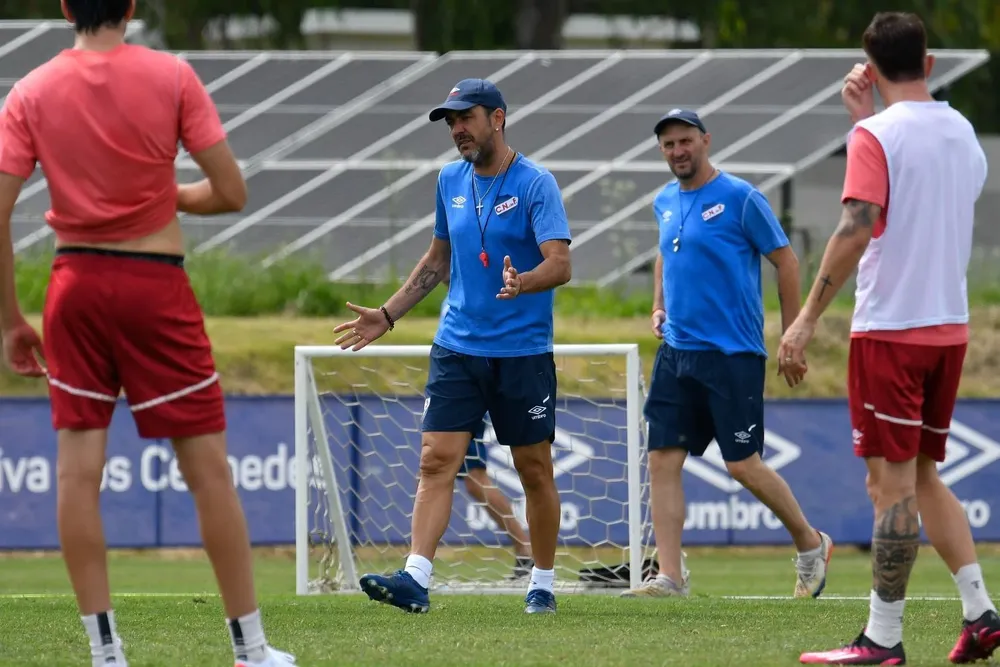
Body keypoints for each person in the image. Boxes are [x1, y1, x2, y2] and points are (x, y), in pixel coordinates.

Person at [0, 3, 294, 666]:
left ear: (65, 8)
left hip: (72, 286)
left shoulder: (31, 90)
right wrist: (165, 191)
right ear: (131, 7)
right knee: (209, 471)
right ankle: (250, 649)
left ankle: (106, 655)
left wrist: (10, 320)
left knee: (78, 473)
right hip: (153, 283)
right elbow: (231, 192)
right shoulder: (173, 76)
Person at [782, 12, 999, 666]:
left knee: (891, 485)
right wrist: (866, 124)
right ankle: (981, 612)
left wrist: (806, 315)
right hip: (948, 329)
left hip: (893, 332)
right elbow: (928, 189)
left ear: (869, 70)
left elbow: (860, 222)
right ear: (930, 64)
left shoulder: (875, 134)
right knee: (923, 476)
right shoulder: (963, 131)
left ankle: (881, 638)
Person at [332, 78, 572, 614]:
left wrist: (523, 282)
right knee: (436, 460)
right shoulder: (448, 180)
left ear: (498, 118)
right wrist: (388, 315)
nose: (457, 129)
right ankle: (417, 577)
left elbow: (561, 263)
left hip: (523, 351)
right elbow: (438, 261)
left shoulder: (537, 183)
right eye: (450, 121)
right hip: (457, 346)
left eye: (466, 117)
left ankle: (543, 582)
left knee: (534, 468)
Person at [620, 108, 834, 600]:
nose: (678, 151)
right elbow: (665, 254)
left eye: (685, 141)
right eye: (669, 144)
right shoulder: (664, 201)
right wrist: (659, 305)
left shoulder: (740, 198)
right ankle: (670, 577)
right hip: (676, 353)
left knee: (742, 464)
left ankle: (810, 543)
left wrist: (794, 333)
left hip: (732, 354)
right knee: (662, 458)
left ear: (705, 141)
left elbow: (785, 260)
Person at [439, 295, 534, 580]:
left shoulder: (478, 292)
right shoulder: (458, 294)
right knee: (451, 474)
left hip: (471, 386)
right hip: (457, 383)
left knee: (473, 478)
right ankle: (419, 560)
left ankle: (526, 551)